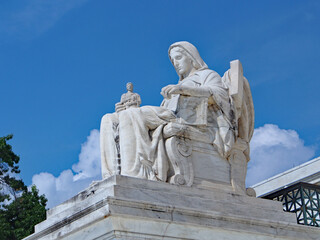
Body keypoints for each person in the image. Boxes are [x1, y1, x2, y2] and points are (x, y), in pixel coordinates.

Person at [100, 41, 235, 182]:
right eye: (172, 60)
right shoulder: (178, 84)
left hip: (193, 122)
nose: (175, 63)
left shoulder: (206, 75)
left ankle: (135, 174)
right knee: (110, 119)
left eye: (178, 58)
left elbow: (219, 95)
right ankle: (112, 176)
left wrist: (183, 90)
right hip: (171, 116)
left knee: (132, 114)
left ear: (191, 57)